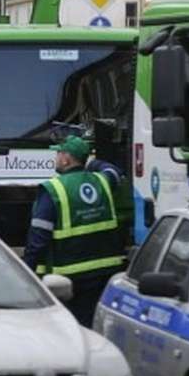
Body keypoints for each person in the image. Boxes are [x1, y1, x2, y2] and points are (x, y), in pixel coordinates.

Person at [23, 135, 126, 327]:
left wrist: (25, 271)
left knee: (72, 327)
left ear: (66, 158)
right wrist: (92, 162)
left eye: (58, 153)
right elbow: (113, 170)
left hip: (68, 279)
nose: (56, 157)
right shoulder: (102, 182)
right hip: (104, 273)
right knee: (95, 324)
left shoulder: (53, 189)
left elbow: (38, 239)